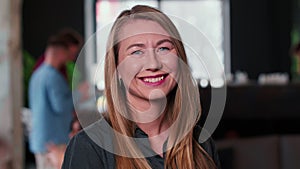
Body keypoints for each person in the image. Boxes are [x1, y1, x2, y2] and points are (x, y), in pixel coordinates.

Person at [62, 5, 221, 169]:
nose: (153, 64)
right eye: (136, 52)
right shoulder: (89, 148)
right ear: (116, 68)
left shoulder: (201, 143)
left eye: (163, 48)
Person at [28, 35, 87, 169]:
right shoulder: (53, 77)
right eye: (68, 53)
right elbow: (60, 106)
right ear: (61, 53)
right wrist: (80, 94)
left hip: (41, 140)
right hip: (54, 143)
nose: (70, 58)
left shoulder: (36, 75)